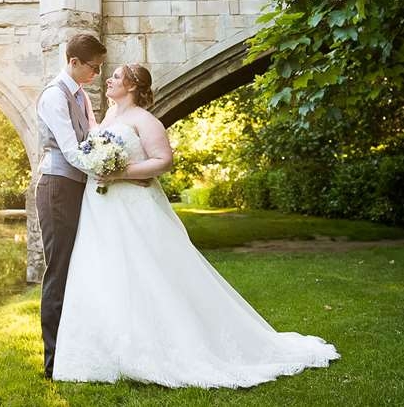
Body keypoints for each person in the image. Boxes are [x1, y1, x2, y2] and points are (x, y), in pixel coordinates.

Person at [52, 63, 340, 387]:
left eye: (116, 76)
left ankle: (156, 349)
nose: (109, 79)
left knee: (145, 274)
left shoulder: (144, 120)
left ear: (132, 85)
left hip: (131, 206)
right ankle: (108, 350)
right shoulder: (108, 117)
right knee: (105, 273)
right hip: (101, 208)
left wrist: (119, 172)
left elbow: (163, 161)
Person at [33, 33, 106, 380]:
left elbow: (91, 138)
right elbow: (71, 149)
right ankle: (53, 362)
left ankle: (76, 351)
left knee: (79, 267)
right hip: (57, 188)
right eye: (93, 68)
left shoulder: (82, 97)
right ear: (74, 62)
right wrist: (106, 170)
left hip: (77, 186)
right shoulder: (54, 96)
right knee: (59, 271)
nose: (96, 74)